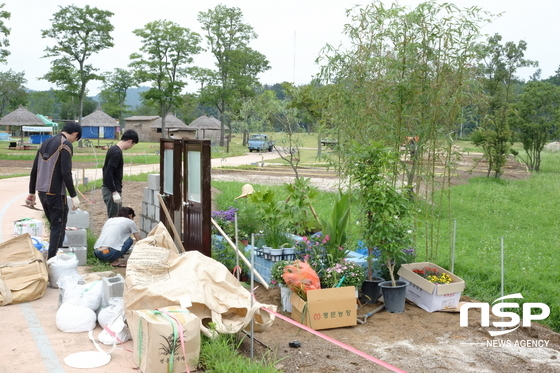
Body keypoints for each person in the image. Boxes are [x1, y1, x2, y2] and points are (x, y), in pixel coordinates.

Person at [26, 122, 82, 260]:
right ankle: (52, 260)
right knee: (58, 226)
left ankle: (55, 254)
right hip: (55, 192)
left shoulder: (45, 142)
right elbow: (66, 172)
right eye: (76, 139)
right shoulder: (65, 144)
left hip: (41, 192)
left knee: (55, 226)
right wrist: (74, 195)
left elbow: (34, 170)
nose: (74, 141)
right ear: (75, 134)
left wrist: (31, 192)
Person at [101, 129, 139, 218]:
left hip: (111, 188)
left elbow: (105, 169)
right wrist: (114, 192)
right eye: (132, 145)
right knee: (114, 220)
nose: (131, 147)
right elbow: (108, 173)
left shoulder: (113, 149)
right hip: (111, 191)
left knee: (118, 218)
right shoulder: (116, 153)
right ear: (130, 141)